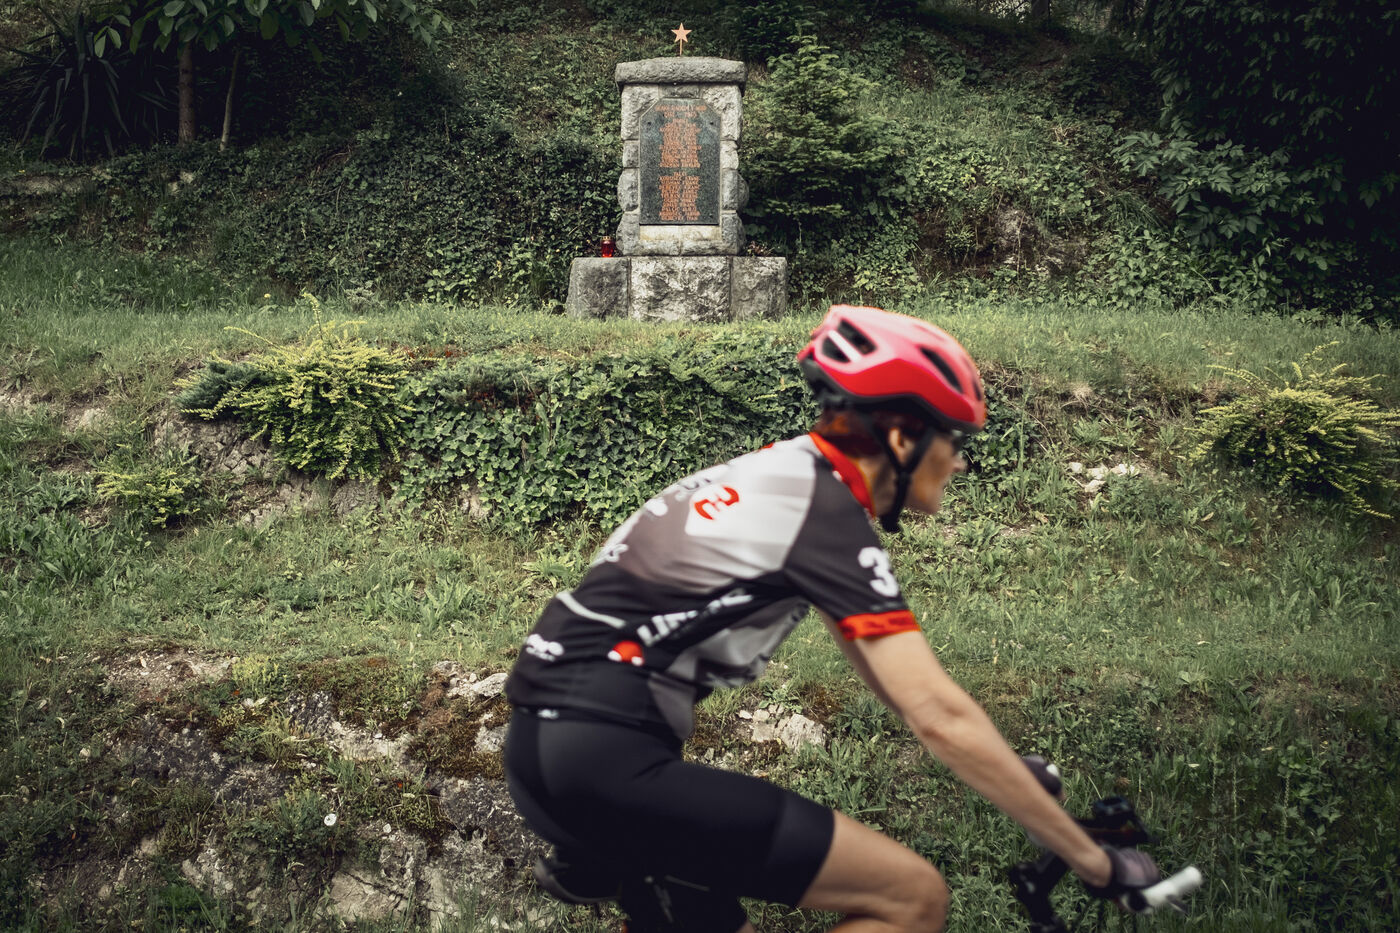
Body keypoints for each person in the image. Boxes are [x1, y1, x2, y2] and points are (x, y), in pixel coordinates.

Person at [504, 305, 1159, 932]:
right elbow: (937, 715)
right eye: (953, 439)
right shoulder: (818, 511)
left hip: (552, 748)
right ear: (902, 438)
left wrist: (1009, 774)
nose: (960, 461)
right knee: (912, 898)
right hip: (605, 760)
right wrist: (1093, 860)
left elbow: (902, 692)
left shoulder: (782, 476)